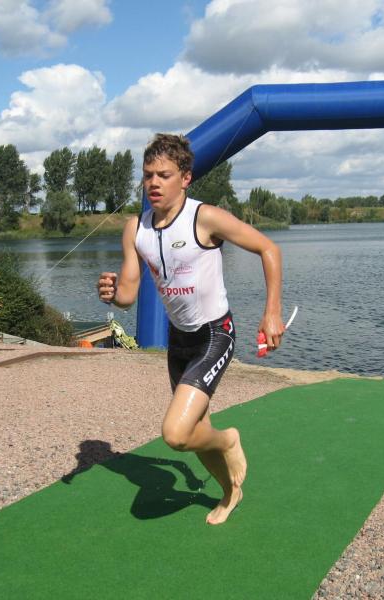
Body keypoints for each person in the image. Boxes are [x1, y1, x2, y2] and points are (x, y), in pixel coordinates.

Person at [97, 133, 286, 525]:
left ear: (185, 178)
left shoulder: (205, 217)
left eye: (163, 175)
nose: (153, 183)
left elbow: (269, 248)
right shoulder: (136, 228)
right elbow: (128, 295)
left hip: (215, 333)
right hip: (179, 339)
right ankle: (230, 492)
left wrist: (272, 312)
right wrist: (112, 294)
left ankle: (229, 440)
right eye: (148, 175)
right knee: (196, 434)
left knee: (177, 433)